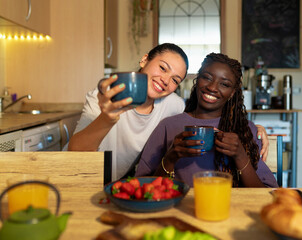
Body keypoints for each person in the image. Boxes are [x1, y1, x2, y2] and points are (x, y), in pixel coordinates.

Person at [67, 43, 269, 181]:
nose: (165, 80)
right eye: (163, 68)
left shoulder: (171, 104)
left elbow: (203, 115)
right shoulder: (105, 97)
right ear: (145, 60)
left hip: (116, 183)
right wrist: (107, 118)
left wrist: (252, 128)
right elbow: (74, 152)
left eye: (175, 80)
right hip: (75, 177)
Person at [135, 53, 278, 188]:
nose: (212, 88)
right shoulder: (168, 126)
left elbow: (265, 194)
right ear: (197, 80)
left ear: (232, 93)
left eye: (225, 84)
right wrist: (171, 158)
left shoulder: (247, 130)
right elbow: (144, 188)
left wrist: (240, 155)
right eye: (207, 78)